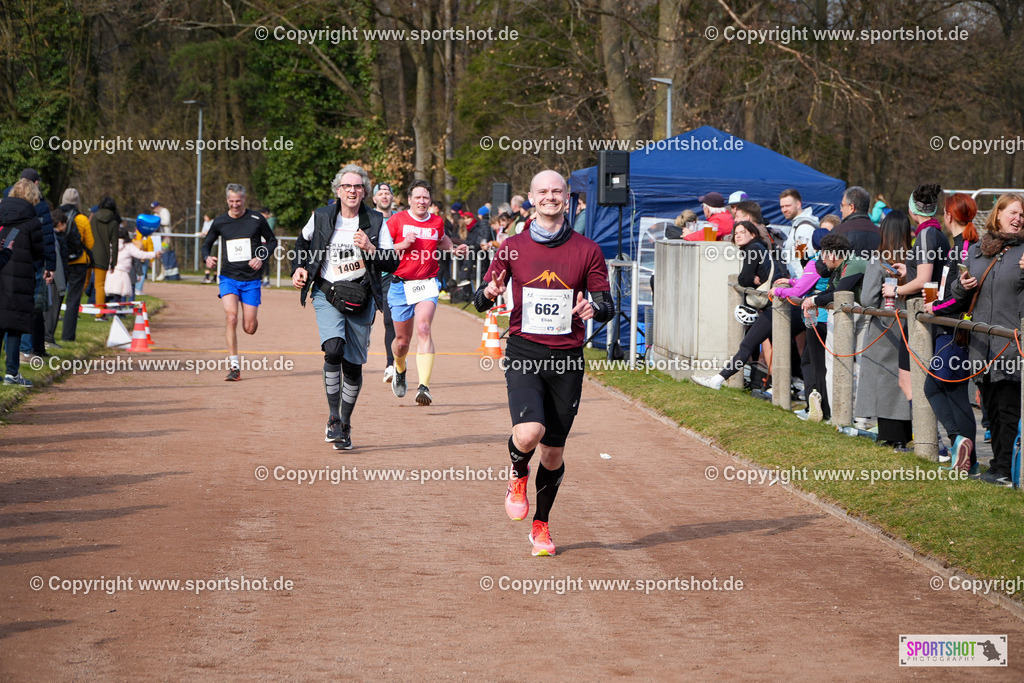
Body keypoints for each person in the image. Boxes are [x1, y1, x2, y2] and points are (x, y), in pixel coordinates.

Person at [475, 169, 613, 556]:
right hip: (524, 352)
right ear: (532, 199)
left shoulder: (588, 249)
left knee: (553, 454)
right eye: (543, 191)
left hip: (567, 360)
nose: (550, 196)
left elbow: (606, 304)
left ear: (567, 198)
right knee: (528, 433)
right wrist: (489, 291)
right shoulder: (512, 246)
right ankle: (518, 474)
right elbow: (481, 300)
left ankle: (541, 527)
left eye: (557, 191)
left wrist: (592, 306)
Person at [292, 165, 398, 450]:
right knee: (333, 349)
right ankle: (332, 419)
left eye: (358, 187)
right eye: (347, 186)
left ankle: (346, 422)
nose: (352, 191)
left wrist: (371, 249)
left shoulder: (375, 222)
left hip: (360, 297)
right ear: (338, 190)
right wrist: (299, 268)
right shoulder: (322, 216)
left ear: (364, 192)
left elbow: (392, 262)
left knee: (352, 366)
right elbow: (301, 243)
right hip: (327, 293)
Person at [950, 193, 1024, 486]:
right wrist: (961, 285)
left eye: (1022, 216)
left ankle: (1005, 469)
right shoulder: (978, 251)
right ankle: (996, 466)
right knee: (989, 408)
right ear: (999, 213)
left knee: (1008, 409)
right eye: (1013, 213)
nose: (1018, 219)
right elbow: (958, 294)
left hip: (1010, 343)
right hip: (980, 344)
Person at [378, 180, 469, 405]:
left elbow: (442, 239)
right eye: (417, 197)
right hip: (400, 285)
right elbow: (381, 248)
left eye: (425, 198)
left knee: (424, 327)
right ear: (409, 200)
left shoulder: (436, 221)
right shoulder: (396, 220)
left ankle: (424, 387)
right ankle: (399, 367)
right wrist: (402, 245)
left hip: (427, 284)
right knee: (401, 342)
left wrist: (454, 250)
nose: (422, 201)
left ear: (430, 201)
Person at [923, 193, 980, 474]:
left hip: (955, 329)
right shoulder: (958, 246)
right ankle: (964, 451)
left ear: (948, 215)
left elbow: (960, 295)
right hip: (948, 327)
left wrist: (935, 307)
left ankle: (965, 453)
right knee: (945, 389)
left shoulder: (966, 248)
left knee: (942, 389)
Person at [692, 221, 783, 390]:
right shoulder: (759, 248)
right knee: (771, 345)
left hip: (774, 307)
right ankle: (776, 388)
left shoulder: (753, 249)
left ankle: (717, 380)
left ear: (753, 234)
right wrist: (751, 278)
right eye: (736, 233)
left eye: (743, 232)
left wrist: (750, 279)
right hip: (775, 305)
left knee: (748, 345)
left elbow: (744, 279)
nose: (738, 235)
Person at [851, 212, 916, 449]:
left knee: (883, 378)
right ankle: (908, 432)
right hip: (908, 325)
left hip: (883, 327)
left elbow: (868, 298)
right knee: (905, 380)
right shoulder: (915, 259)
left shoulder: (877, 259)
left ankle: (891, 435)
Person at [201, 184, 278, 381]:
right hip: (228, 277)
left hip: (251, 280)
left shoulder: (256, 219)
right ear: (227, 200)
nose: (235, 205)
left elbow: (272, 241)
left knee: (249, 328)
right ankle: (234, 367)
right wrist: (206, 258)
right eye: (231, 201)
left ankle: (251, 318)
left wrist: (260, 257)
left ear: (244, 199)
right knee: (231, 317)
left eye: (238, 201)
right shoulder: (219, 222)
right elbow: (206, 244)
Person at [0, 179, 45, 386]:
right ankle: (12, 373)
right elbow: (38, 252)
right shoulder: (33, 221)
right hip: (21, 275)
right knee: (15, 326)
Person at [57, 189, 93, 342]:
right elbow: (90, 243)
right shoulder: (82, 219)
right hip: (79, 262)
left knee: (57, 297)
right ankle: (68, 336)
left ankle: (49, 335)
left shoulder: (56, 216)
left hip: (61, 261)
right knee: (73, 299)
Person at [372, 184, 398, 384]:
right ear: (374, 198)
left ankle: (391, 366)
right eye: (380, 193)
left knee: (390, 321)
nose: (384, 196)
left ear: (392, 197)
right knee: (363, 321)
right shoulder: (367, 218)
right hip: (369, 276)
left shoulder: (400, 219)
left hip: (391, 275)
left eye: (387, 193)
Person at [105, 224, 157, 302]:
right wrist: (154, 254)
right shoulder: (128, 246)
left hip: (111, 273)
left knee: (112, 296)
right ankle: (119, 312)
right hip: (123, 274)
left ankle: (112, 310)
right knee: (121, 296)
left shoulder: (110, 245)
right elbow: (140, 254)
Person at [89, 197, 120, 321]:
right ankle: (99, 314)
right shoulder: (113, 223)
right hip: (103, 256)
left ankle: (73, 309)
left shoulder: (94, 217)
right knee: (100, 285)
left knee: (82, 283)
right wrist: (114, 262)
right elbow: (115, 243)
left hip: (89, 253)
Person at [43, 208, 70, 348]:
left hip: (56, 279)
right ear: (60, 223)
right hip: (55, 281)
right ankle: (48, 338)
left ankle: (48, 337)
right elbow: (58, 263)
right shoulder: (55, 240)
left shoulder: (54, 238)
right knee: (52, 311)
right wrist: (61, 286)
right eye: (65, 224)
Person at [779, 189, 820, 277]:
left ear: (798, 204)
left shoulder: (803, 228)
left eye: (788, 206)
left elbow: (801, 258)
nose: (784, 210)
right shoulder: (797, 225)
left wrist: (799, 284)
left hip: (802, 282)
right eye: (782, 206)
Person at [834, 186, 882, 259]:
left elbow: (827, 262)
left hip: (847, 270)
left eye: (842, 206)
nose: (841, 210)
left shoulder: (838, 231)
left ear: (851, 207)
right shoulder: (881, 233)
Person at [152, 200, 179, 280]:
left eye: (155, 208)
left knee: (164, 252)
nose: (154, 210)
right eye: (153, 208)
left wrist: (158, 220)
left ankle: (164, 272)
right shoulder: (155, 214)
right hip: (158, 237)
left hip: (166, 237)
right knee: (158, 253)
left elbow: (166, 221)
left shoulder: (164, 211)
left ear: (159, 206)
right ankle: (158, 272)